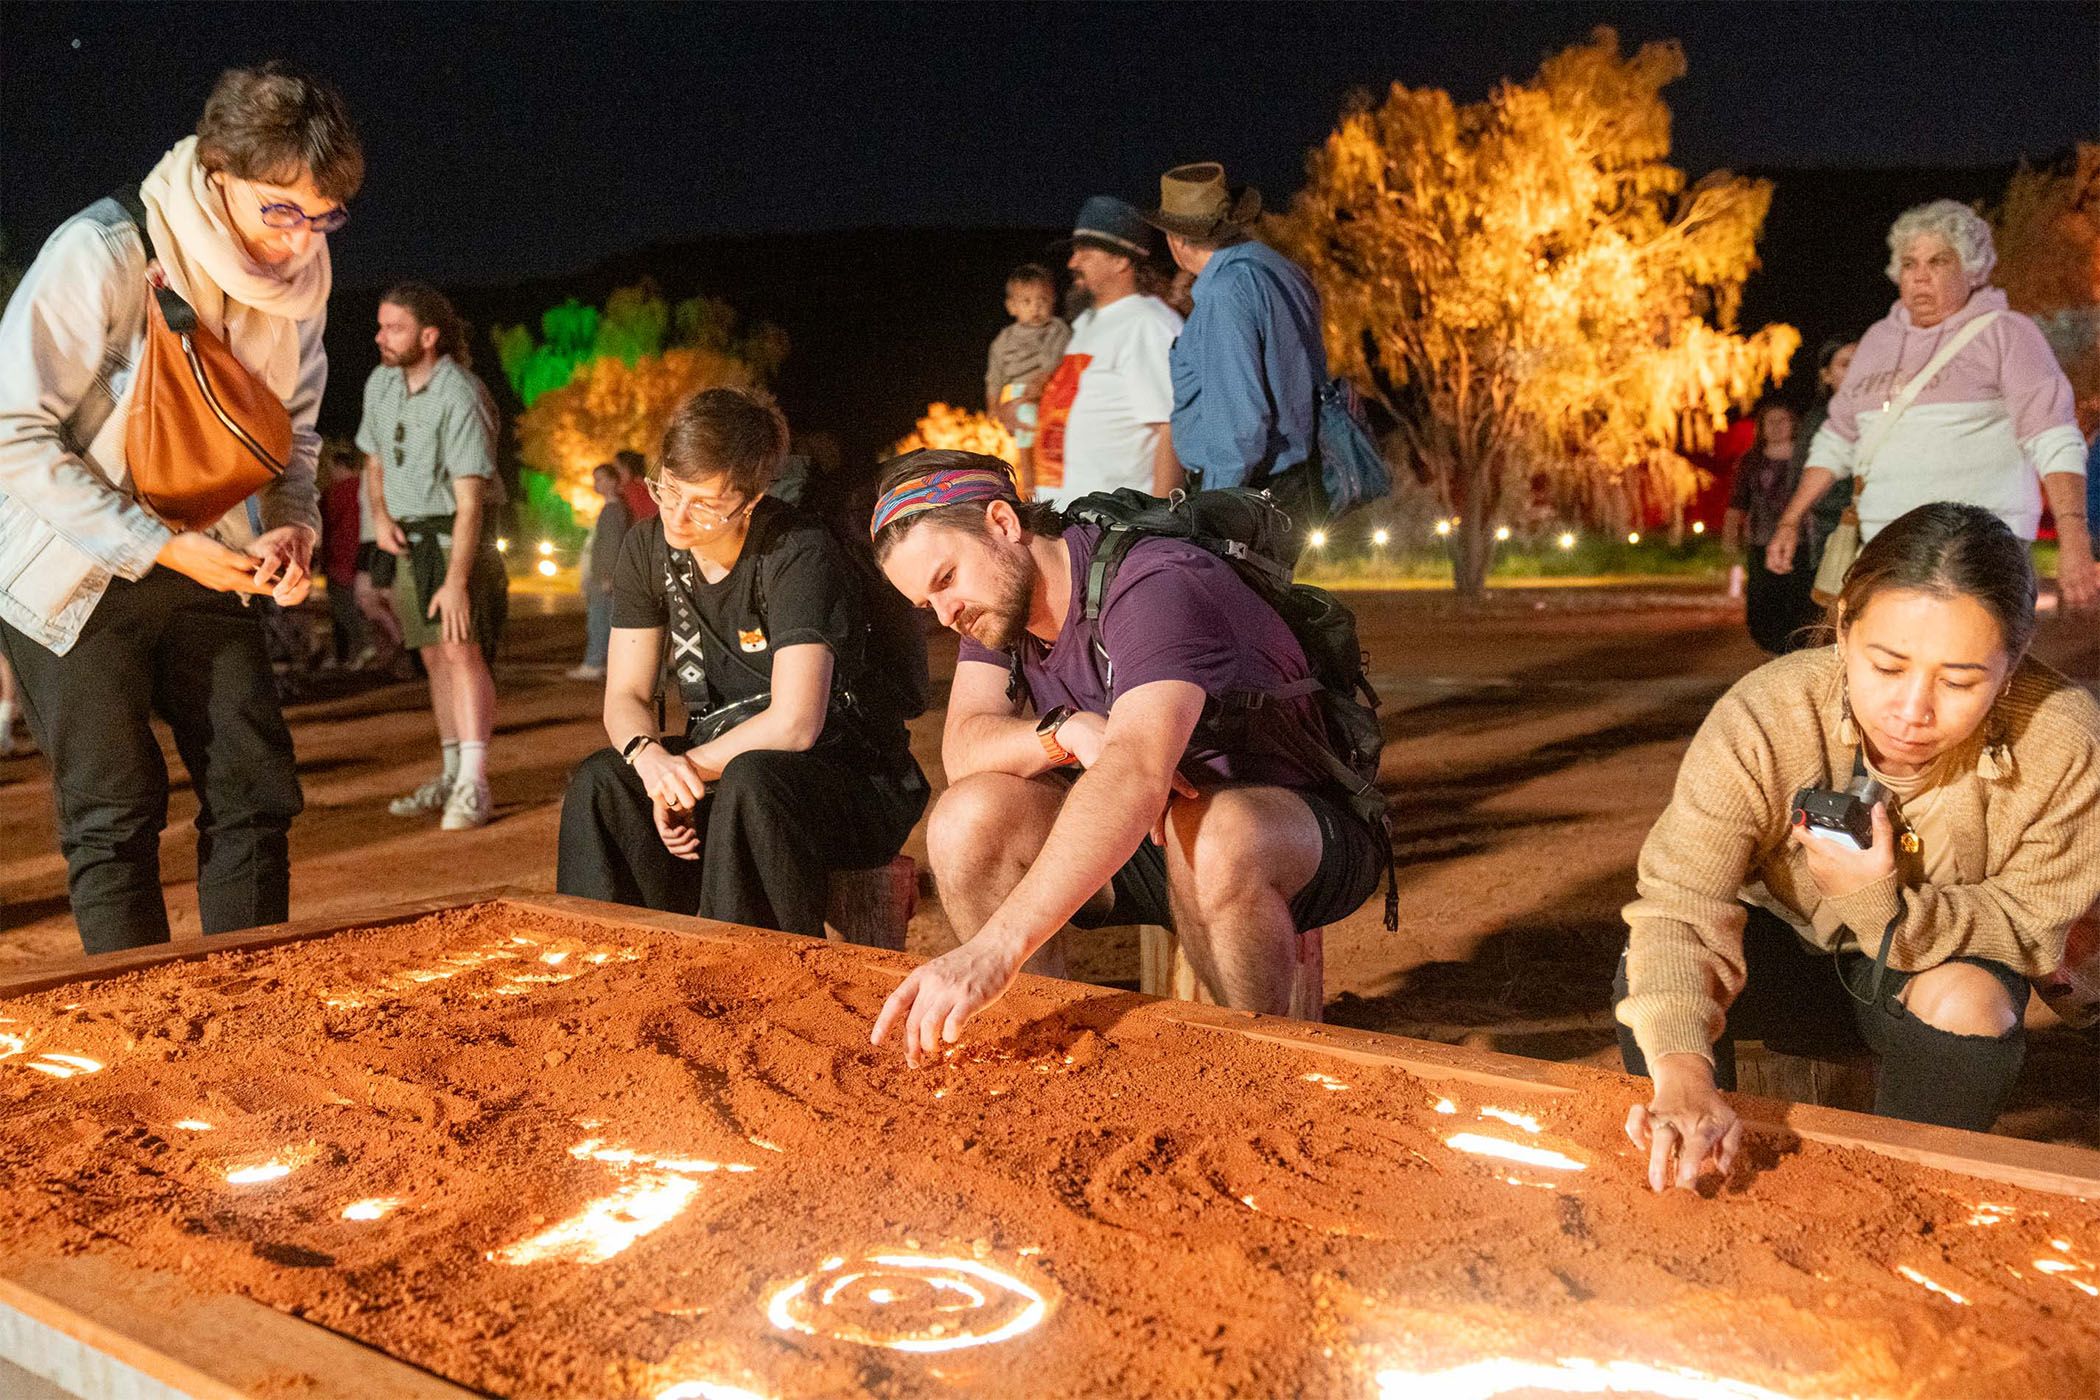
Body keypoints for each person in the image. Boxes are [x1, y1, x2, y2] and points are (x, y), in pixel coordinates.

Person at [1616, 503, 2100, 1191]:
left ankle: (1900, 1194)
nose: (1913, 709)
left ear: (2013, 661)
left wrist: (1875, 903)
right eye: (1887, 666)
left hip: (1924, 977)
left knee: (1974, 1003)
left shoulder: (2062, 740)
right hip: (1778, 964)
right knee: (1653, 969)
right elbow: (1680, 905)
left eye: (1960, 681)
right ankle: (1696, 1158)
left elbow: (2030, 927)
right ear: (1844, 628)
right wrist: (1684, 1073)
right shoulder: (1766, 715)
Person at [0, 63, 361, 953]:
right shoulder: (105, 249)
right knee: (114, 811)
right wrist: (158, 543)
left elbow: (295, 439)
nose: (300, 241)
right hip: (74, 570)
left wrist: (294, 525)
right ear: (218, 171)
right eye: (280, 211)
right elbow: (12, 432)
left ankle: (245, 1013)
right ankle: (146, 1043)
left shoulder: (301, 283)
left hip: (214, 560)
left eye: (324, 216)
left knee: (253, 790)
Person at [866, 451, 1387, 1066]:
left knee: (1216, 832)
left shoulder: (1152, 580)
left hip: (1290, 830)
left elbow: (1137, 769)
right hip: (1148, 835)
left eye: (946, 578)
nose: (947, 614)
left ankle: (1255, 1074)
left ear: (1003, 523)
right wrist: (1068, 730)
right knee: (967, 817)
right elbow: (963, 748)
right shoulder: (997, 613)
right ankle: (1041, 1055)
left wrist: (995, 948)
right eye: (928, 606)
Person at [556, 388, 928, 932]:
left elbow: (796, 723)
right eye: (669, 490)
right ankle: (613, 973)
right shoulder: (648, 545)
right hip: (720, 768)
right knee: (602, 782)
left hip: (843, 777)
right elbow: (626, 696)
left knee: (753, 781)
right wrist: (651, 761)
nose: (678, 516)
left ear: (750, 499)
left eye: (705, 503)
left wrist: (687, 772)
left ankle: (753, 987)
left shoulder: (796, 552)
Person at [1767, 200, 2094, 611]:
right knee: (1886, 662)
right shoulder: (1876, 341)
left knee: (1967, 667)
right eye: (1909, 264)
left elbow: (2054, 438)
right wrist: (1790, 520)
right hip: (1885, 543)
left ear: (1971, 268)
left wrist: (2074, 536)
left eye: (1937, 262)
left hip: (1978, 548)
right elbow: (1837, 440)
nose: (1920, 277)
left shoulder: (2008, 334)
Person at [360, 281, 509, 831]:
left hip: (454, 541)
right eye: (380, 325)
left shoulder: (459, 393)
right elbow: (373, 459)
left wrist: (456, 581)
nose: (380, 337)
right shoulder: (381, 383)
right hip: (408, 541)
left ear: (429, 335)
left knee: (461, 651)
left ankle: (476, 781)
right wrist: (379, 517)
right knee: (432, 657)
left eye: (393, 327)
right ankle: (451, 769)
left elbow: (470, 503)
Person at [1143, 162, 1326, 536]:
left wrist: (1213, 514)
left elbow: (1239, 425)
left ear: (1176, 240)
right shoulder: (1280, 270)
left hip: (1251, 491)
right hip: (1296, 478)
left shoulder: (1224, 293)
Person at [1033, 197, 1183, 507]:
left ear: (1121, 261)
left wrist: (1157, 524)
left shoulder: (1148, 323)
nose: (1073, 263)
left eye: (1085, 253)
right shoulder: (1088, 321)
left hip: (1115, 525)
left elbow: (1172, 427)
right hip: (1070, 519)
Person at [1724, 402, 1819, 654]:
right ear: (1761, 428)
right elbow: (1738, 501)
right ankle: (1772, 649)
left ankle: (1799, 651)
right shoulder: (1751, 461)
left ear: (1793, 425)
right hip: (1762, 541)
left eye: (1782, 420)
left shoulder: (1810, 460)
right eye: (1770, 421)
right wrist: (1730, 534)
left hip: (1805, 541)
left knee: (1802, 598)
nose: (1776, 427)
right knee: (1765, 599)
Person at [984, 263, 1071, 499]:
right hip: (1017, 393)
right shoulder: (1004, 339)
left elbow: (1055, 359)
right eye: (1027, 302)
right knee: (1024, 424)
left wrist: (1041, 382)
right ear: (1011, 306)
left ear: (1053, 300)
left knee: (1039, 430)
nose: (1036, 308)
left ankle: (1042, 482)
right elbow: (995, 376)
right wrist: (993, 406)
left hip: (1047, 391)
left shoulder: (1057, 329)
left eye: (1042, 300)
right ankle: (1029, 483)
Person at [569, 462, 632, 681]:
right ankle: (599, 662)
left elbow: (612, 545)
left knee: (599, 621)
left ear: (613, 481)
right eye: (595, 479)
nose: (597, 484)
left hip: (604, 579)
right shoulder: (611, 509)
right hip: (601, 576)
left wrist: (607, 576)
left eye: (601, 478)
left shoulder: (613, 510)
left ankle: (594, 663)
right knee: (602, 621)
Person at [318, 442, 370, 669]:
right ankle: (351, 654)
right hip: (363, 552)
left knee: (343, 609)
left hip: (339, 556)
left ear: (339, 467)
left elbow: (323, 525)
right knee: (358, 605)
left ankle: (362, 647)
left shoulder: (335, 494)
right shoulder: (365, 488)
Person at [615, 449, 658, 522]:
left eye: (618, 468)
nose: (616, 473)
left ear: (627, 468)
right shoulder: (644, 485)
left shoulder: (635, 489)